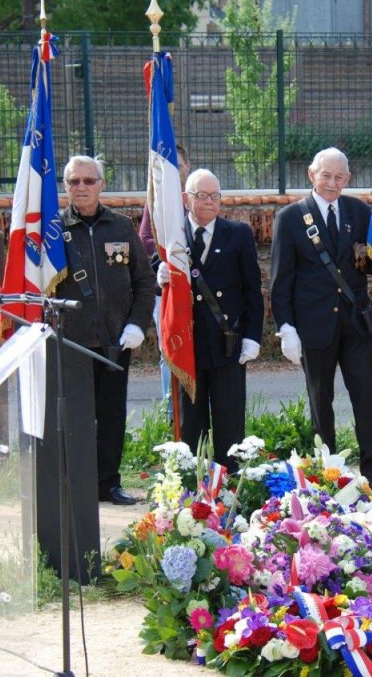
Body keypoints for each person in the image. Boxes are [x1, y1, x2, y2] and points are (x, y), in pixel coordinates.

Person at [270, 147, 372, 493]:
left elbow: (371, 264)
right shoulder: (291, 218)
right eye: (326, 175)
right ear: (312, 175)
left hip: (355, 322)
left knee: (367, 398)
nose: (332, 183)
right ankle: (327, 473)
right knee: (320, 402)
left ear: (348, 180)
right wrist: (286, 328)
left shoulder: (359, 211)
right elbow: (281, 280)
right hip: (313, 325)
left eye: (339, 177)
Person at [53, 155, 155, 505]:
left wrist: (137, 324)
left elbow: (144, 280)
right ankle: (74, 482)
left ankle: (108, 482)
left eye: (89, 180)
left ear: (102, 184)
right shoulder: (53, 230)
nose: (81, 187)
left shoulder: (122, 227)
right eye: (74, 181)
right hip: (70, 341)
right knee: (73, 415)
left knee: (111, 414)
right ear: (65, 185)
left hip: (115, 340)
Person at [157, 169, 263, 471]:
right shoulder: (173, 235)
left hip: (226, 343)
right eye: (201, 195)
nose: (209, 202)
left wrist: (252, 336)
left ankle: (230, 485)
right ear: (185, 199)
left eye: (214, 196)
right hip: (186, 343)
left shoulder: (238, 233)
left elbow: (252, 290)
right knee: (190, 423)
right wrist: (159, 275)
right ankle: (192, 484)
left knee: (230, 420)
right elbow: (156, 277)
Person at [139, 144, 191, 420]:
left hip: (197, 290)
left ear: (187, 167)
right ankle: (172, 413)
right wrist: (174, 248)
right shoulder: (155, 200)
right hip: (167, 290)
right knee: (168, 352)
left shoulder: (198, 195)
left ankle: (196, 409)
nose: (175, 173)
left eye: (179, 167)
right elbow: (146, 242)